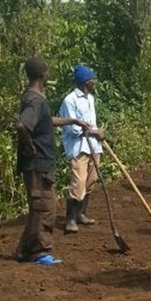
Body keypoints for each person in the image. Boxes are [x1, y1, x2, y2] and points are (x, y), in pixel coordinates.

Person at [15, 58, 91, 264]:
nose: (49, 75)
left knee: (38, 207)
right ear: (42, 74)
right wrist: (30, 147)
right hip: (38, 163)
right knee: (45, 207)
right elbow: (23, 126)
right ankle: (40, 252)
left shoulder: (33, 97)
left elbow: (45, 121)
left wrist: (73, 120)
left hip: (38, 163)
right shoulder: (36, 99)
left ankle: (24, 250)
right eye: (47, 72)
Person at [59, 65, 105, 234]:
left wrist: (96, 134)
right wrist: (95, 132)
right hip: (78, 147)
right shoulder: (69, 100)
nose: (95, 81)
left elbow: (91, 124)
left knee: (91, 180)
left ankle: (81, 214)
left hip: (93, 146)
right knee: (78, 182)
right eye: (93, 79)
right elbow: (73, 128)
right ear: (87, 82)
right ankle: (70, 219)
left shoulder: (91, 99)